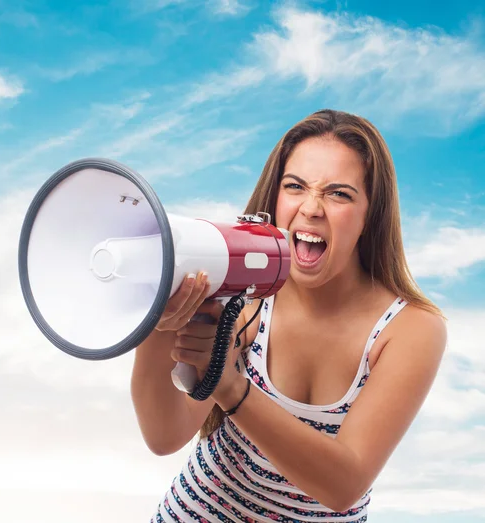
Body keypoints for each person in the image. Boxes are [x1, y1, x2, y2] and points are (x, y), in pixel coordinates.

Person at [131, 109, 447, 522]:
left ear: (371, 215)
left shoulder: (410, 328)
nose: (311, 208)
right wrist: (160, 325)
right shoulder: (247, 295)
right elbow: (163, 435)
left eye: (339, 194)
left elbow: (343, 485)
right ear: (276, 198)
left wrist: (229, 388)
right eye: (295, 186)